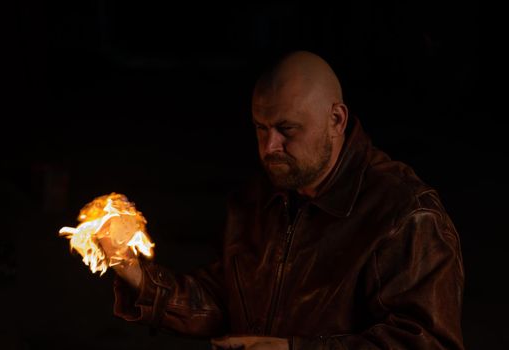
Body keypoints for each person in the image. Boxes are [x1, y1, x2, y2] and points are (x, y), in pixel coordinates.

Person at [102, 51, 465, 350]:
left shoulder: (406, 214)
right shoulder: (258, 199)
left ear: (336, 119)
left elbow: (428, 344)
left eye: (286, 129)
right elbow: (227, 301)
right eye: (261, 128)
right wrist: (140, 279)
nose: (269, 148)